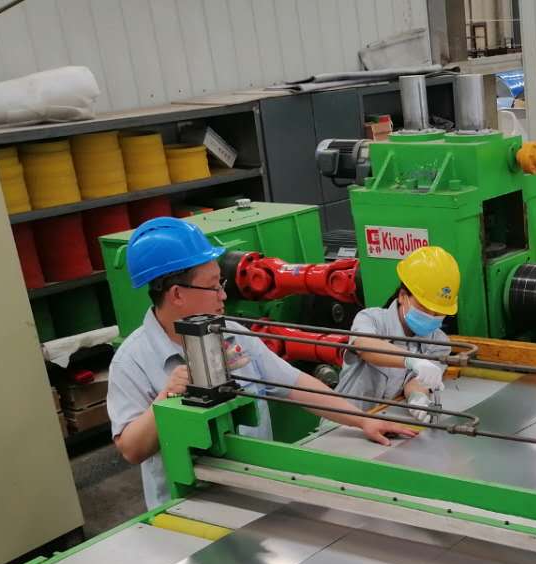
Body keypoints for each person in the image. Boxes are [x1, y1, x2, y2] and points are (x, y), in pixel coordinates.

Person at [106, 217, 416, 509]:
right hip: (189, 510)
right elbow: (131, 449)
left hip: (255, 494)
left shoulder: (232, 334)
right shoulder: (133, 360)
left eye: (222, 283)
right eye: (213, 286)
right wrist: (167, 398)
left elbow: (296, 385)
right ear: (177, 294)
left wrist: (362, 420)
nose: (223, 295)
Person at [337, 246, 459, 420]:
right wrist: (411, 360)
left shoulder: (440, 343)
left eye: (439, 313)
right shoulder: (371, 318)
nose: (431, 317)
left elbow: (417, 380)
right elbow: (365, 346)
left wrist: (417, 397)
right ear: (402, 296)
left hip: (383, 425)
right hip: (342, 423)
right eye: (425, 307)